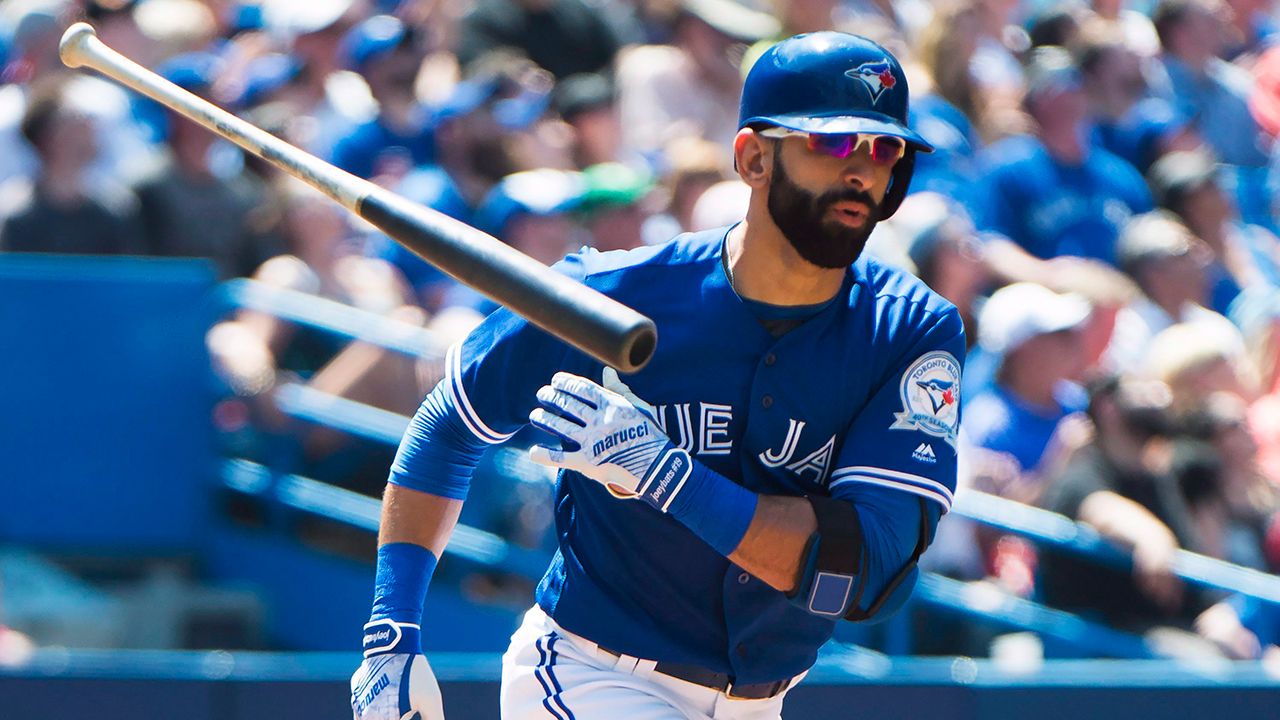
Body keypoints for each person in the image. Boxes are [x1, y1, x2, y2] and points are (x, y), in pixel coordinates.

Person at [350, 33, 962, 720]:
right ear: (754, 157)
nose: (864, 170)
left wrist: (667, 478)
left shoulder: (910, 330)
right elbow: (449, 426)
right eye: (834, 144)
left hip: (762, 702)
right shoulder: (610, 293)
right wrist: (390, 637)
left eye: (884, 150)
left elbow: (863, 572)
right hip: (593, 676)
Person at [976, 46, 1153, 265]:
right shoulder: (1007, 168)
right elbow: (988, 244)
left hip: (1117, 292)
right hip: (1043, 293)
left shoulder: (1121, 176)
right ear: (1034, 101)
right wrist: (1051, 277)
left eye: (1075, 85)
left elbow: (1150, 246)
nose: (1069, 94)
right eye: (1053, 88)